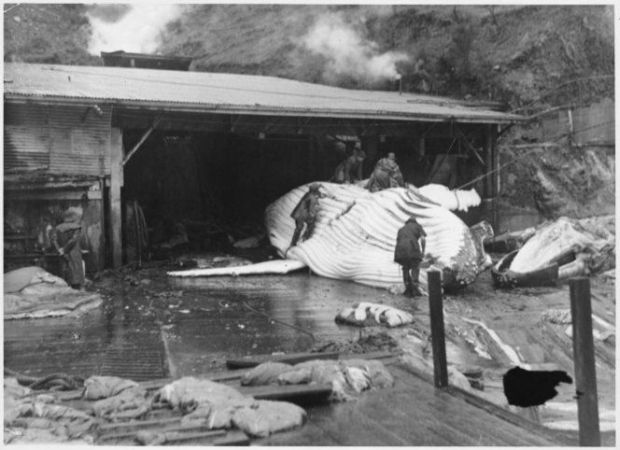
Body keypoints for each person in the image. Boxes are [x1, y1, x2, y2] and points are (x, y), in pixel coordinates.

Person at [289, 183, 333, 249]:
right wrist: (313, 216)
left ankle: (294, 242)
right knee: (308, 225)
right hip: (301, 215)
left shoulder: (308, 194)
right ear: (315, 190)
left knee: (299, 228)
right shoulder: (312, 198)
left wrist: (327, 195)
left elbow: (319, 195)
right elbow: (312, 208)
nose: (318, 190)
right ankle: (303, 239)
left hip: (298, 213)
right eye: (317, 189)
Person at [51, 207, 85, 289]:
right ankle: (76, 289)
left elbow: (53, 240)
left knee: (64, 273)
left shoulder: (57, 228)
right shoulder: (76, 227)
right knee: (75, 274)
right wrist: (65, 249)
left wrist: (60, 250)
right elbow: (73, 240)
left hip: (62, 254)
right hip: (73, 253)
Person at [394, 217, 427, 297]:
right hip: (412, 248)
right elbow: (423, 239)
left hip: (400, 251)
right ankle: (414, 288)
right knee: (415, 266)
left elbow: (398, 241)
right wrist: (423, 251)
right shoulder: (417, 226)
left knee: (406, 267)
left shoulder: (401, 229)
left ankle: (407, 288)